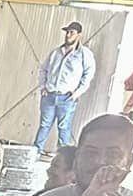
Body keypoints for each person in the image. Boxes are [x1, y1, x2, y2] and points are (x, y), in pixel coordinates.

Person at [35, 21, 95, 155]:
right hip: (50, 94)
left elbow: (88, 75)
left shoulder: (84, 54)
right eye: (67, 32)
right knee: (44, 126)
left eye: (72, 33)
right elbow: (43, 70)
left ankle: (63, 157)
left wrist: (77, 93)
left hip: (67, 96)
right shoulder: (56, 52)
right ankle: (35, 152)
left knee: (64, 128)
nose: (68, 35)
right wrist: (43, 87)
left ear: (79, 35)